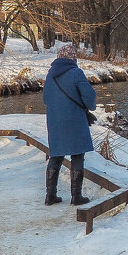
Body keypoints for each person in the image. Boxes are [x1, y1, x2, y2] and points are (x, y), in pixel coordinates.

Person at [43, 43, 97, 206]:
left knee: (56, 155)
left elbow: (46, 99)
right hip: (74, 119)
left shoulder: (50, 74)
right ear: (73, 58)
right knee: (77, 154)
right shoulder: (76, 72)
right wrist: (89, 107)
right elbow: (89, 97)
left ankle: (50, 195)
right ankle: (76, 196)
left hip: (55, 120)